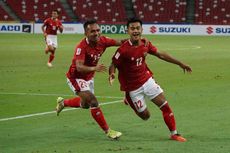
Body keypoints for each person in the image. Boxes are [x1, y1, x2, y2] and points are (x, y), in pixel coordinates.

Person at [109, 18, 192, 142]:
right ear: (128, 31)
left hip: (146, 80)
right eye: (132, 28)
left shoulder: (145, 44)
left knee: (165, 105)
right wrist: (112, 74)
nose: (135, 31)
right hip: (132, 88)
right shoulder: (123, 50)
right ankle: (128, 99)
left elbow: (160, 54)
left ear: (142, 29)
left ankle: (174, 134)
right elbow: (113, 64)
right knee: (145, 116)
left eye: (138, 28)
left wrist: (180, 63)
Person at [55, 19, 128, 139]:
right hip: (76, 77)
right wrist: (95, 68)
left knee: (85, 105)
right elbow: (79, 67)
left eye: (98, 30)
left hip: (89, 77)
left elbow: (120, 42)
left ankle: (63, 103)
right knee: (93, 101)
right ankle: (108, 131)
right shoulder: (82, 47)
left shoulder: (103, 40)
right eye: (92, 31)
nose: (96, 33)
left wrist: (135, 40)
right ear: (86, 33)